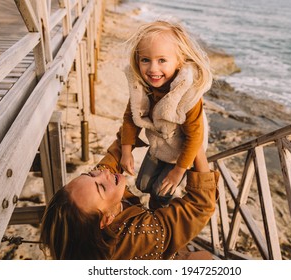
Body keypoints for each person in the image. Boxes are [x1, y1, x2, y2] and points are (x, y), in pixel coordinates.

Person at [39, 144, 218, 260]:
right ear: (107, 219)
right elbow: (199, 206)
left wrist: (128, 135)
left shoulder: (85, 227)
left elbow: (106, 166)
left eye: (89, 174)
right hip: (156, 253)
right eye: (101, 187)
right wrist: (196, 145)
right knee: (205, 258)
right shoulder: (141, 235)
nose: (103, 174)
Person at [119, 20, 213, 209]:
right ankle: (150, 203)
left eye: (162, 60)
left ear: (179, 61)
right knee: (142, 185)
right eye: (145, 60)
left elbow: (195, 136)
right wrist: (126, 151)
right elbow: (131, 117)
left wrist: (179, 171)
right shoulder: (142, 86)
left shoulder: (188, 95)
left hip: (180, 152)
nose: (153, 69)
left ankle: (157, 214)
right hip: (158, 146)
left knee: (162, 193)